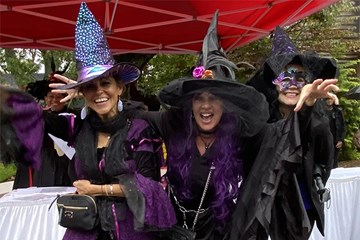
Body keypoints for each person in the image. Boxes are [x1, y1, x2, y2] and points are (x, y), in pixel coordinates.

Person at [1, 3, 176, 240]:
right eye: (90, 87)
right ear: (83, 93)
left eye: (105, 84)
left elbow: (148, 185)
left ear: (119, 87)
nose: (99, 92)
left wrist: (97, 190)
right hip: (86, 228)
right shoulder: (80, 127)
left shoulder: (138, 128)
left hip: (130, 230)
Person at [241, 26, 339, 240]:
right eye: (284, 78)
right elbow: (276, 144)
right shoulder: (261, 121)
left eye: (300, 79)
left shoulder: (318, 120)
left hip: (302, 207)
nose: (292, 85)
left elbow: (326, 160)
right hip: (264, 208)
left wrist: (312, 106)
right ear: (275, 84)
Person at [325, 97, 346, 168]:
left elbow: (343, 127)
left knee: (334, 161)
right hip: (324, 140)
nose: (329, 101)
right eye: (327, 99)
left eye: (330, 99)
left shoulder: (338, 112)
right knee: (325, 160)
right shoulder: (321, 112)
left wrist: (341, 140)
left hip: (336, 140)